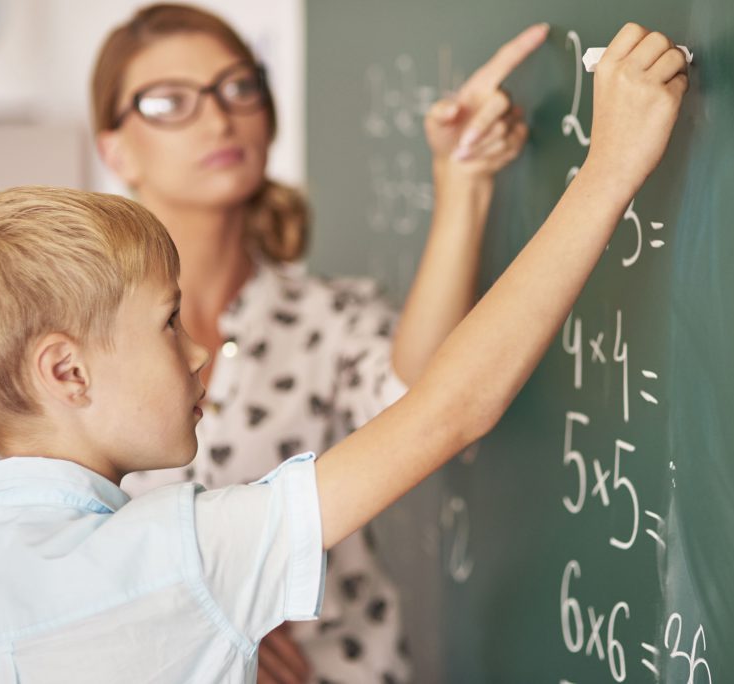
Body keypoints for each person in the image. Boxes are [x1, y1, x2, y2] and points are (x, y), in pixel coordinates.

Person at [0, 21, 689, 684]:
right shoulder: (184, 556)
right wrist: (610, 168)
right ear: (66, 371)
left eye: (238, 88)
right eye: (169, 324)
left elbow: (416, 395)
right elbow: (446, 411)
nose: (203, 352)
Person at [90, 5, 545, 681]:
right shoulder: (78, 342)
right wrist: (200, 634)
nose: (219, 120)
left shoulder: (331, 317)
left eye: (239, 87)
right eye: (169, 102)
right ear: (115, 149)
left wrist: (462, 181)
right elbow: (36, 539)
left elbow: (425, 404)